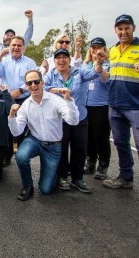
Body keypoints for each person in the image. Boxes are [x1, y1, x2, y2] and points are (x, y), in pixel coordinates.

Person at [103, 14, 139, 215]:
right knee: (121, 144)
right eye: (120, 28)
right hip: (116, 106)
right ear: (115, 30)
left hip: (137, 108)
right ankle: (125, 178)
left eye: (126, 28)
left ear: (133, 28)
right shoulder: (112, 51)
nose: (123, 31)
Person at [8, 70, 79, 201]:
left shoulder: (56, 100)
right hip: (35, 140)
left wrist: (69, 100)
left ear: (42, 82)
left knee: (46, 190)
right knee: (21, 156)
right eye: (29, 83)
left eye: (36, 82)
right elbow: (17, 132)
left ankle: (52, 175)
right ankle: (27, 186)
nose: (33, 85)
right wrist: (12, 116)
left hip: (53, 147)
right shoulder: (26, 105)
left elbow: (73, 121)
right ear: (26, 85)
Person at [44, 48, 105, 194]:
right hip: (60, 120)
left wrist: (99, 63)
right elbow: (44, 88)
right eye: (58, 58)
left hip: (79, 118)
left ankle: (78, 179)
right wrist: (58, 90)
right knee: (62, 149)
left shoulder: (79, 72)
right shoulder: (50, 74)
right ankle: (62, 177)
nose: (61, 60)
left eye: (64, 57)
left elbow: (95, 73)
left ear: (69, 59)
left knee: (79, 150)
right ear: (55, 60)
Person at [0, 36, 37, 166]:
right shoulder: (4, 61)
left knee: (21, 128)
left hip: (24, 99)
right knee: (6, 128)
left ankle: (21, 154)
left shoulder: (30, 62)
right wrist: (0, 55)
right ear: (9, 47)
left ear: (24, 47)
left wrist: (20, 90)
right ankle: (7, 155)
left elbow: (35, 79)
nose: (16, 48)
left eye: (19, 45)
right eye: (13, 45)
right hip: (6, 99)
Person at [83, 37, 111, 180]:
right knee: (88, 136)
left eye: (99, 47)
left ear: (104, 49)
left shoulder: (109, 64)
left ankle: (103, 165)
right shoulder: (85, 64)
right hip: (86, 105)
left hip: (101, 106)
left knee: (101, 137)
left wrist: (99, 65)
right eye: (93, 48)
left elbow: (108, 81)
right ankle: (90, 161)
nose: (96, 50)